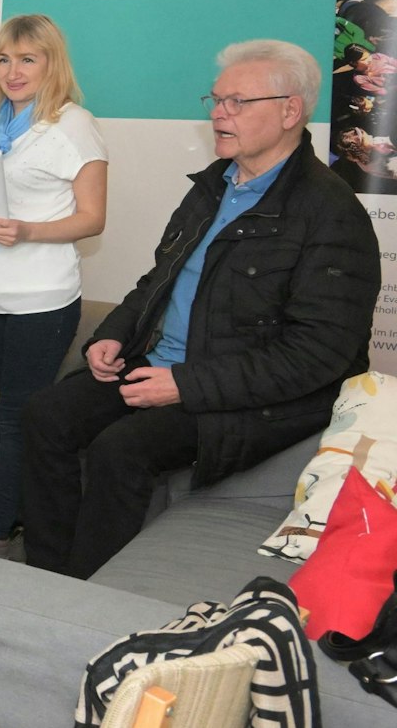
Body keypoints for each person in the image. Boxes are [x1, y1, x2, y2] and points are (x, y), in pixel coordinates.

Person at [23, 40, 374, 578]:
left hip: (241, 394)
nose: (218, 114)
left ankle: (86, 592)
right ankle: (45, 576)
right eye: (215, 100)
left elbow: (318, 354)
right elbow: (158, 279)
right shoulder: (212, 188)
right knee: (47, 416)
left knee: (122, 450)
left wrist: (185, 384)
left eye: (237, 103)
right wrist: (112, 335)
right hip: (164, 366)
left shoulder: (330, 211)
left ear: (289, 111)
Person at [0, 13, 108, 558]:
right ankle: (15, 522)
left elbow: (92, 218)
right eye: (3, 59)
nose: (13, 71)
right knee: (15, 415)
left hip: (42, 298)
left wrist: (29, 230)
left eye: (27, 59)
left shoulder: (73, 124)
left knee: (16, 415)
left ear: (51, 64)